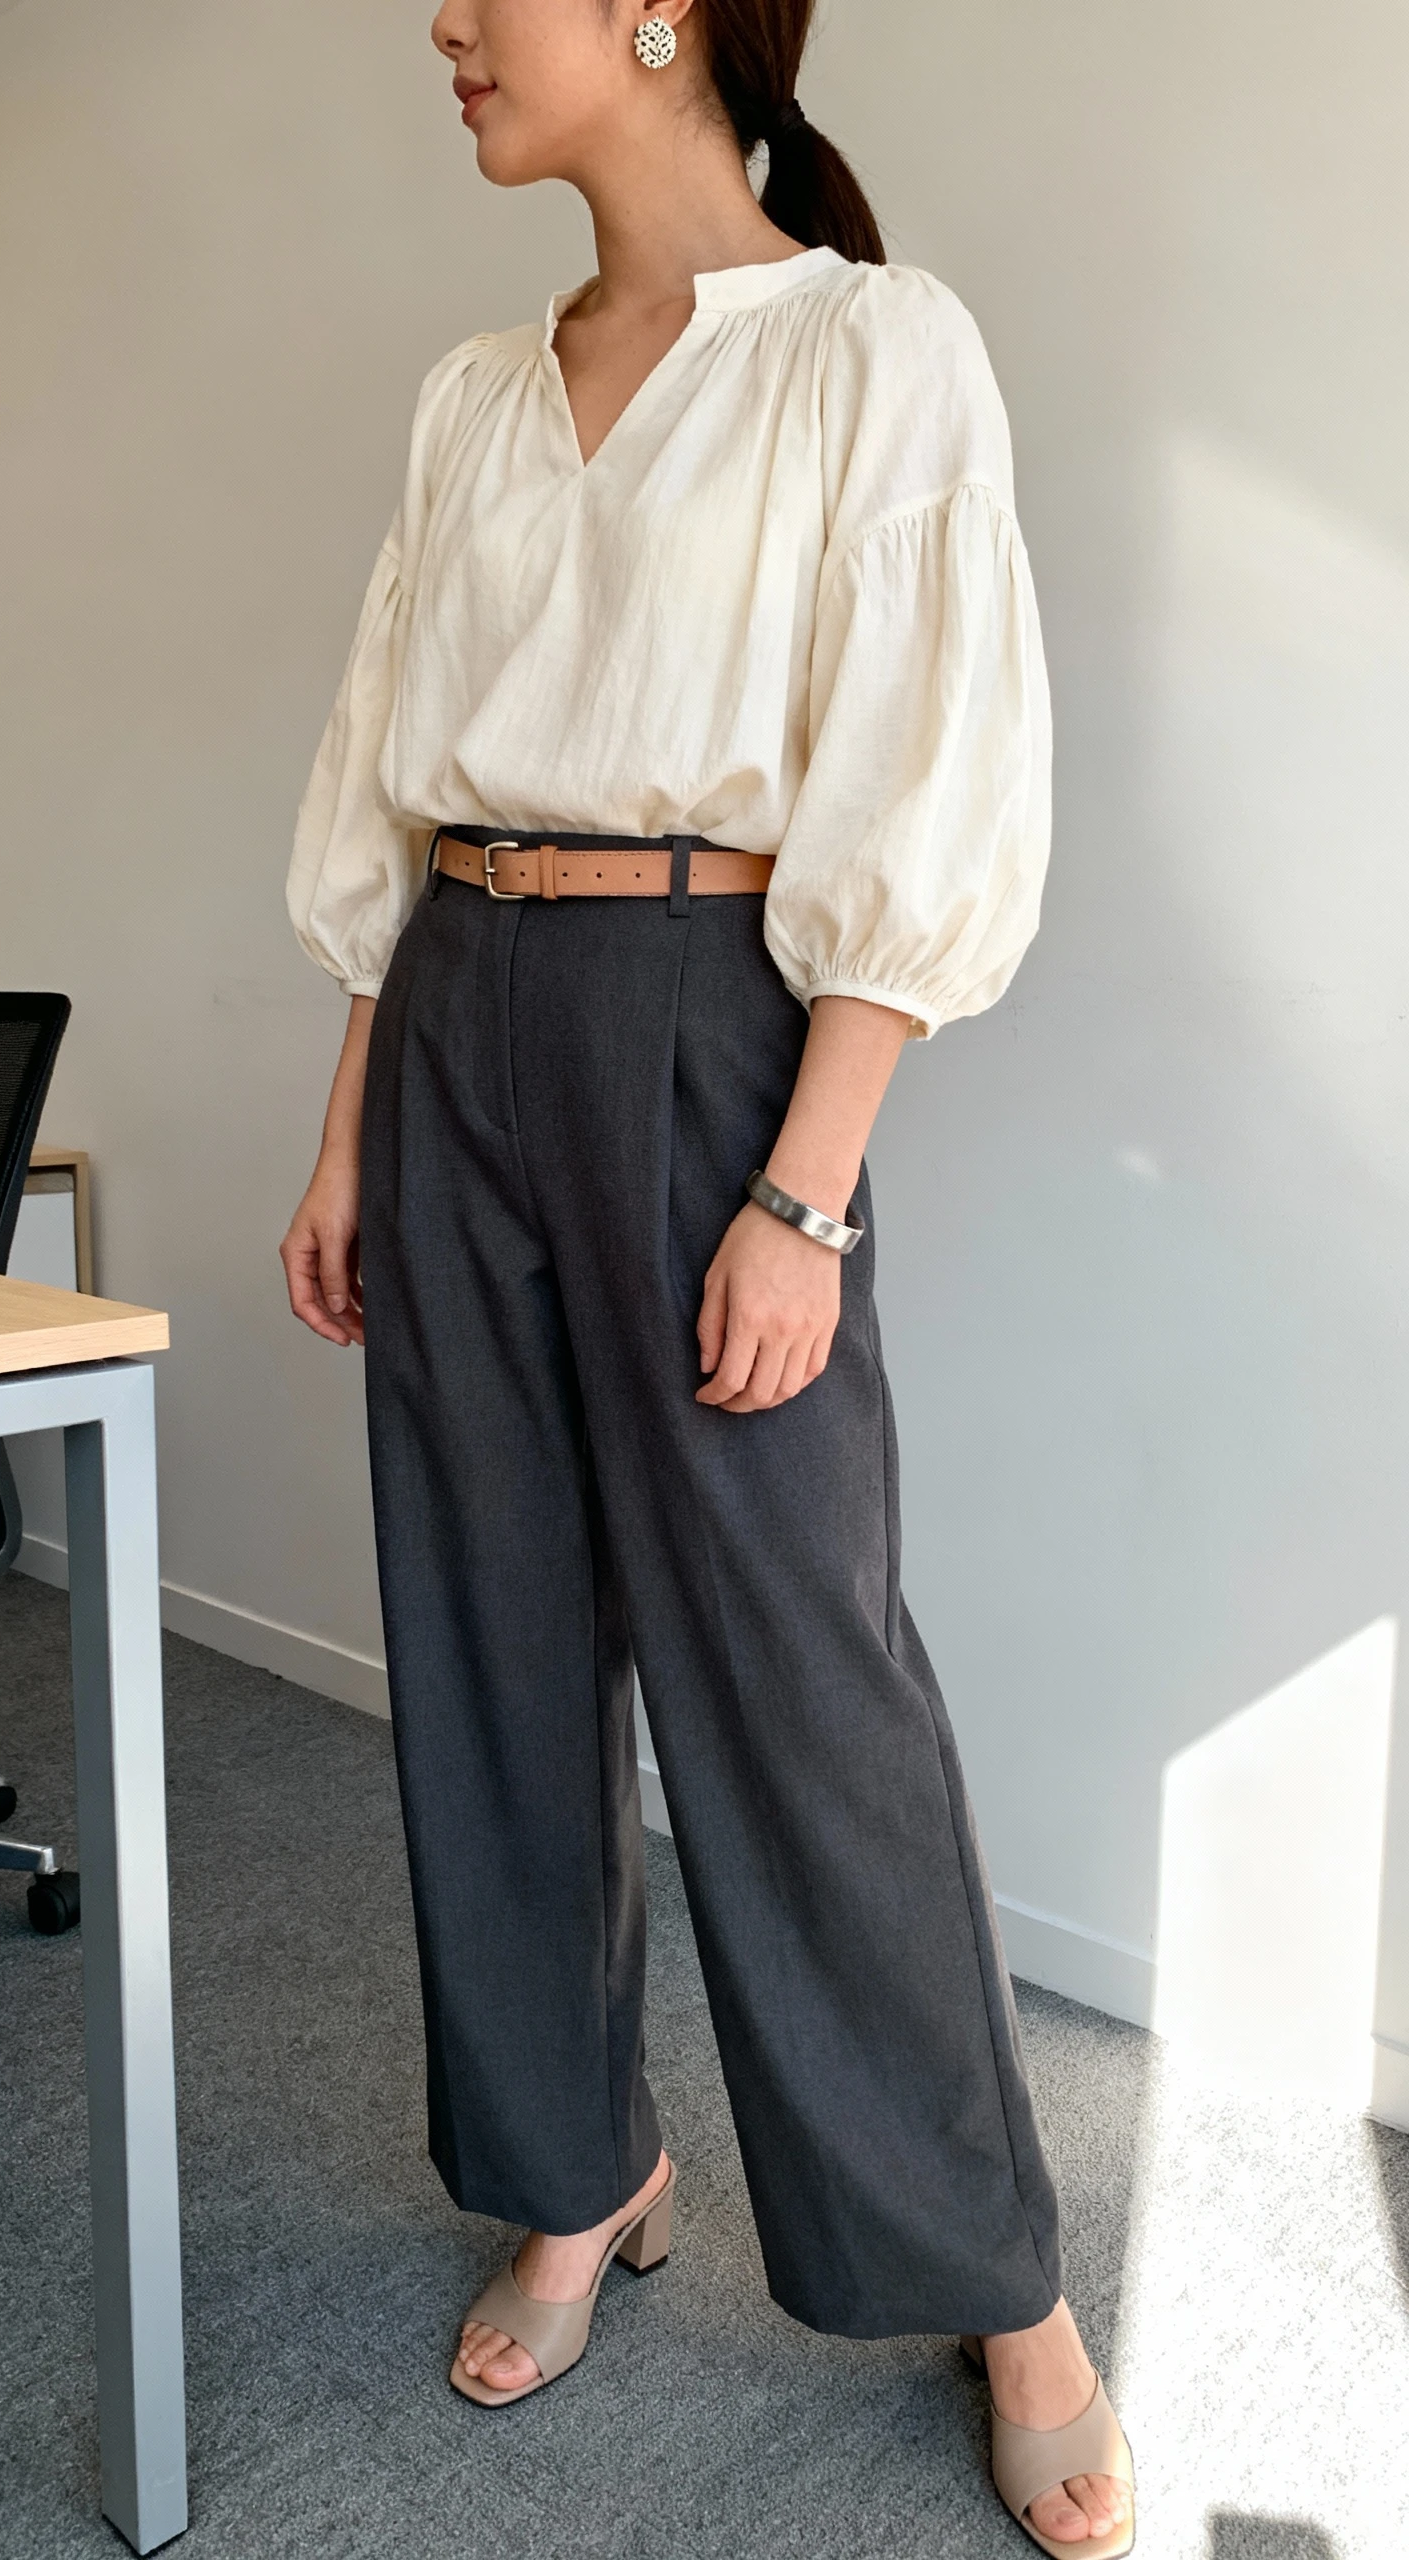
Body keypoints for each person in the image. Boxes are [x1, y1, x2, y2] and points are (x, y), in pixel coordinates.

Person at [280, 4, 1137, 2551]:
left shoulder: (874, 349)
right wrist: (350, 1131)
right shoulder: (472, 388)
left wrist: (807, 1187)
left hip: (714, 1029)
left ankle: (1005, 2277)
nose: (446, 23)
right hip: (457, 1012)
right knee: (492, 1636)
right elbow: (388, 763)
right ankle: (579, 2168)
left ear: (660, 6)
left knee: (805, 1675)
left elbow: (933, 765)